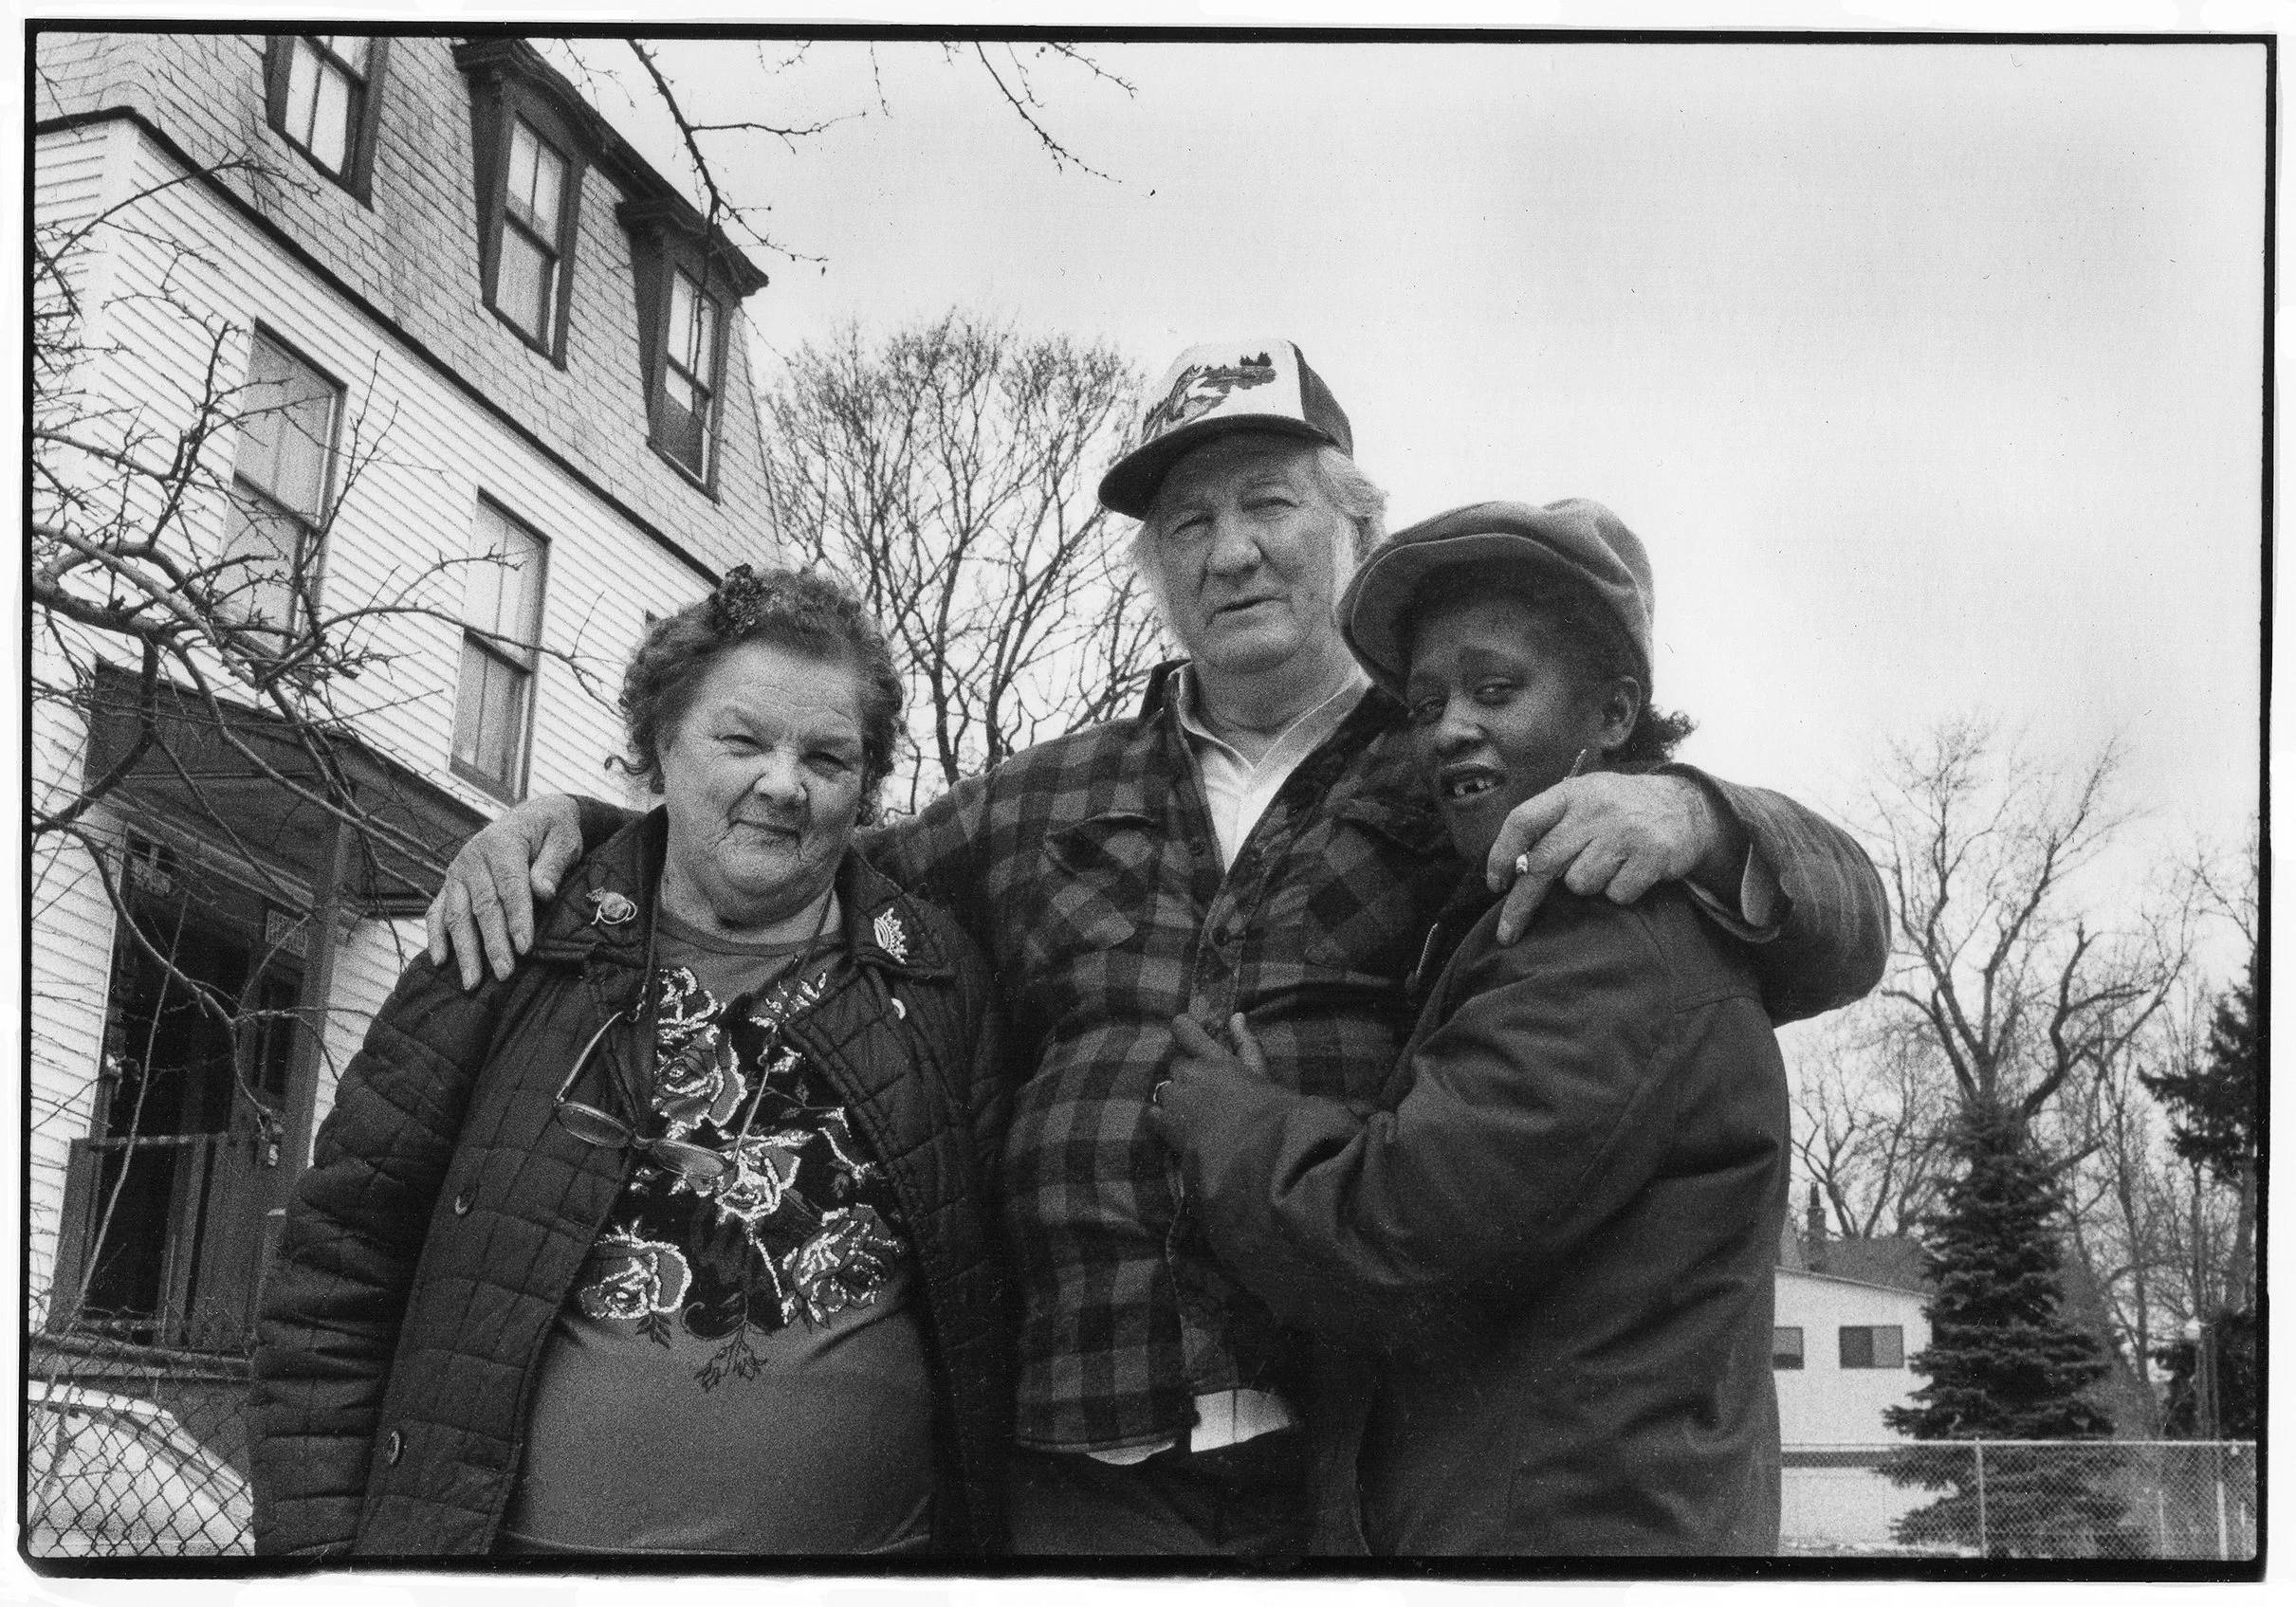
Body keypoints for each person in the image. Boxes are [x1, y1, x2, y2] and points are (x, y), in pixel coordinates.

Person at [425, 339, 1887, 1556]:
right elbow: (797, 864)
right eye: (1187, 521)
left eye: (1268, 503)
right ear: (1153, 566)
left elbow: (1823, 934)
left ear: (1352, 528)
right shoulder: (1043, 796)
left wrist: (1705, 812)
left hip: (1355, 1468)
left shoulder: (1462, 763)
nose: (1229, 549)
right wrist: (585, 829)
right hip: (1078, 1464)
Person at [248, 567, 1012, 1559]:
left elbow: (999, 1297)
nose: (785, 783)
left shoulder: (939, 982)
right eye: (742, 740)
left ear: (864, 786)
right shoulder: (512, 935)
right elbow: (339, 1267)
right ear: (660, 743)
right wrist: (321, 1569)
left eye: (827, 756)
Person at [1150, 499, 1789, 1555]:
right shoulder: (1523, 917)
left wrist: (1230, 1118)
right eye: (1425, 702)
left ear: (1614, 712)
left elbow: (1395, 1237)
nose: (1449, 727)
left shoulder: (1608, 944)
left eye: (1495, 690)